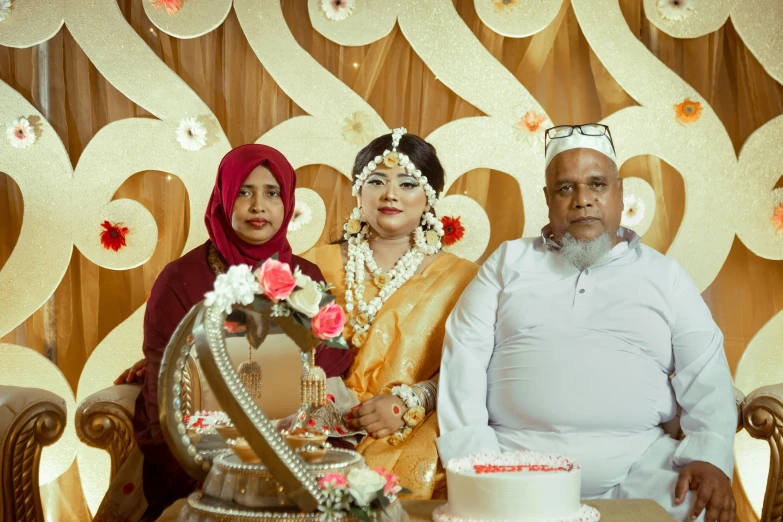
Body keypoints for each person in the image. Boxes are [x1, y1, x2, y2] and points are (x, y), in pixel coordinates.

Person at [436, 124, 737, 522]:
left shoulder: (665, 275)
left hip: (640, 465)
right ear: (547, 199)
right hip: (514, 462)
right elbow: (464, 361)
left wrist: (709, 455)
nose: (582, 201)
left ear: (620, 192)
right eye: (565, 188)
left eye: (597, 185)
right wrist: (475, 463)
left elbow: (707, 372)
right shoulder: (508, 262)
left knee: (697, 506)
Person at [109, 144, 353, 521]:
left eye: (272, 193)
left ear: (287, 201)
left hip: (294, 444)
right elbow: (164, 389)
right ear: (222, 198)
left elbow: (333, 360)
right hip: (202, 451)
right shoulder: (180, 279)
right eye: (244, 191)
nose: (259, 206)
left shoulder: (306, 276)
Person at [302, 129, 478, 499]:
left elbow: (476, 368)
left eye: (408, 183)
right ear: (359, 191)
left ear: (429, 198)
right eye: (376, 180)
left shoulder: (462, 279)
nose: (390, 194)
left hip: (409, 430)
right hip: (315, 425)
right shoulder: (313, 266)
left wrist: (409, 401)